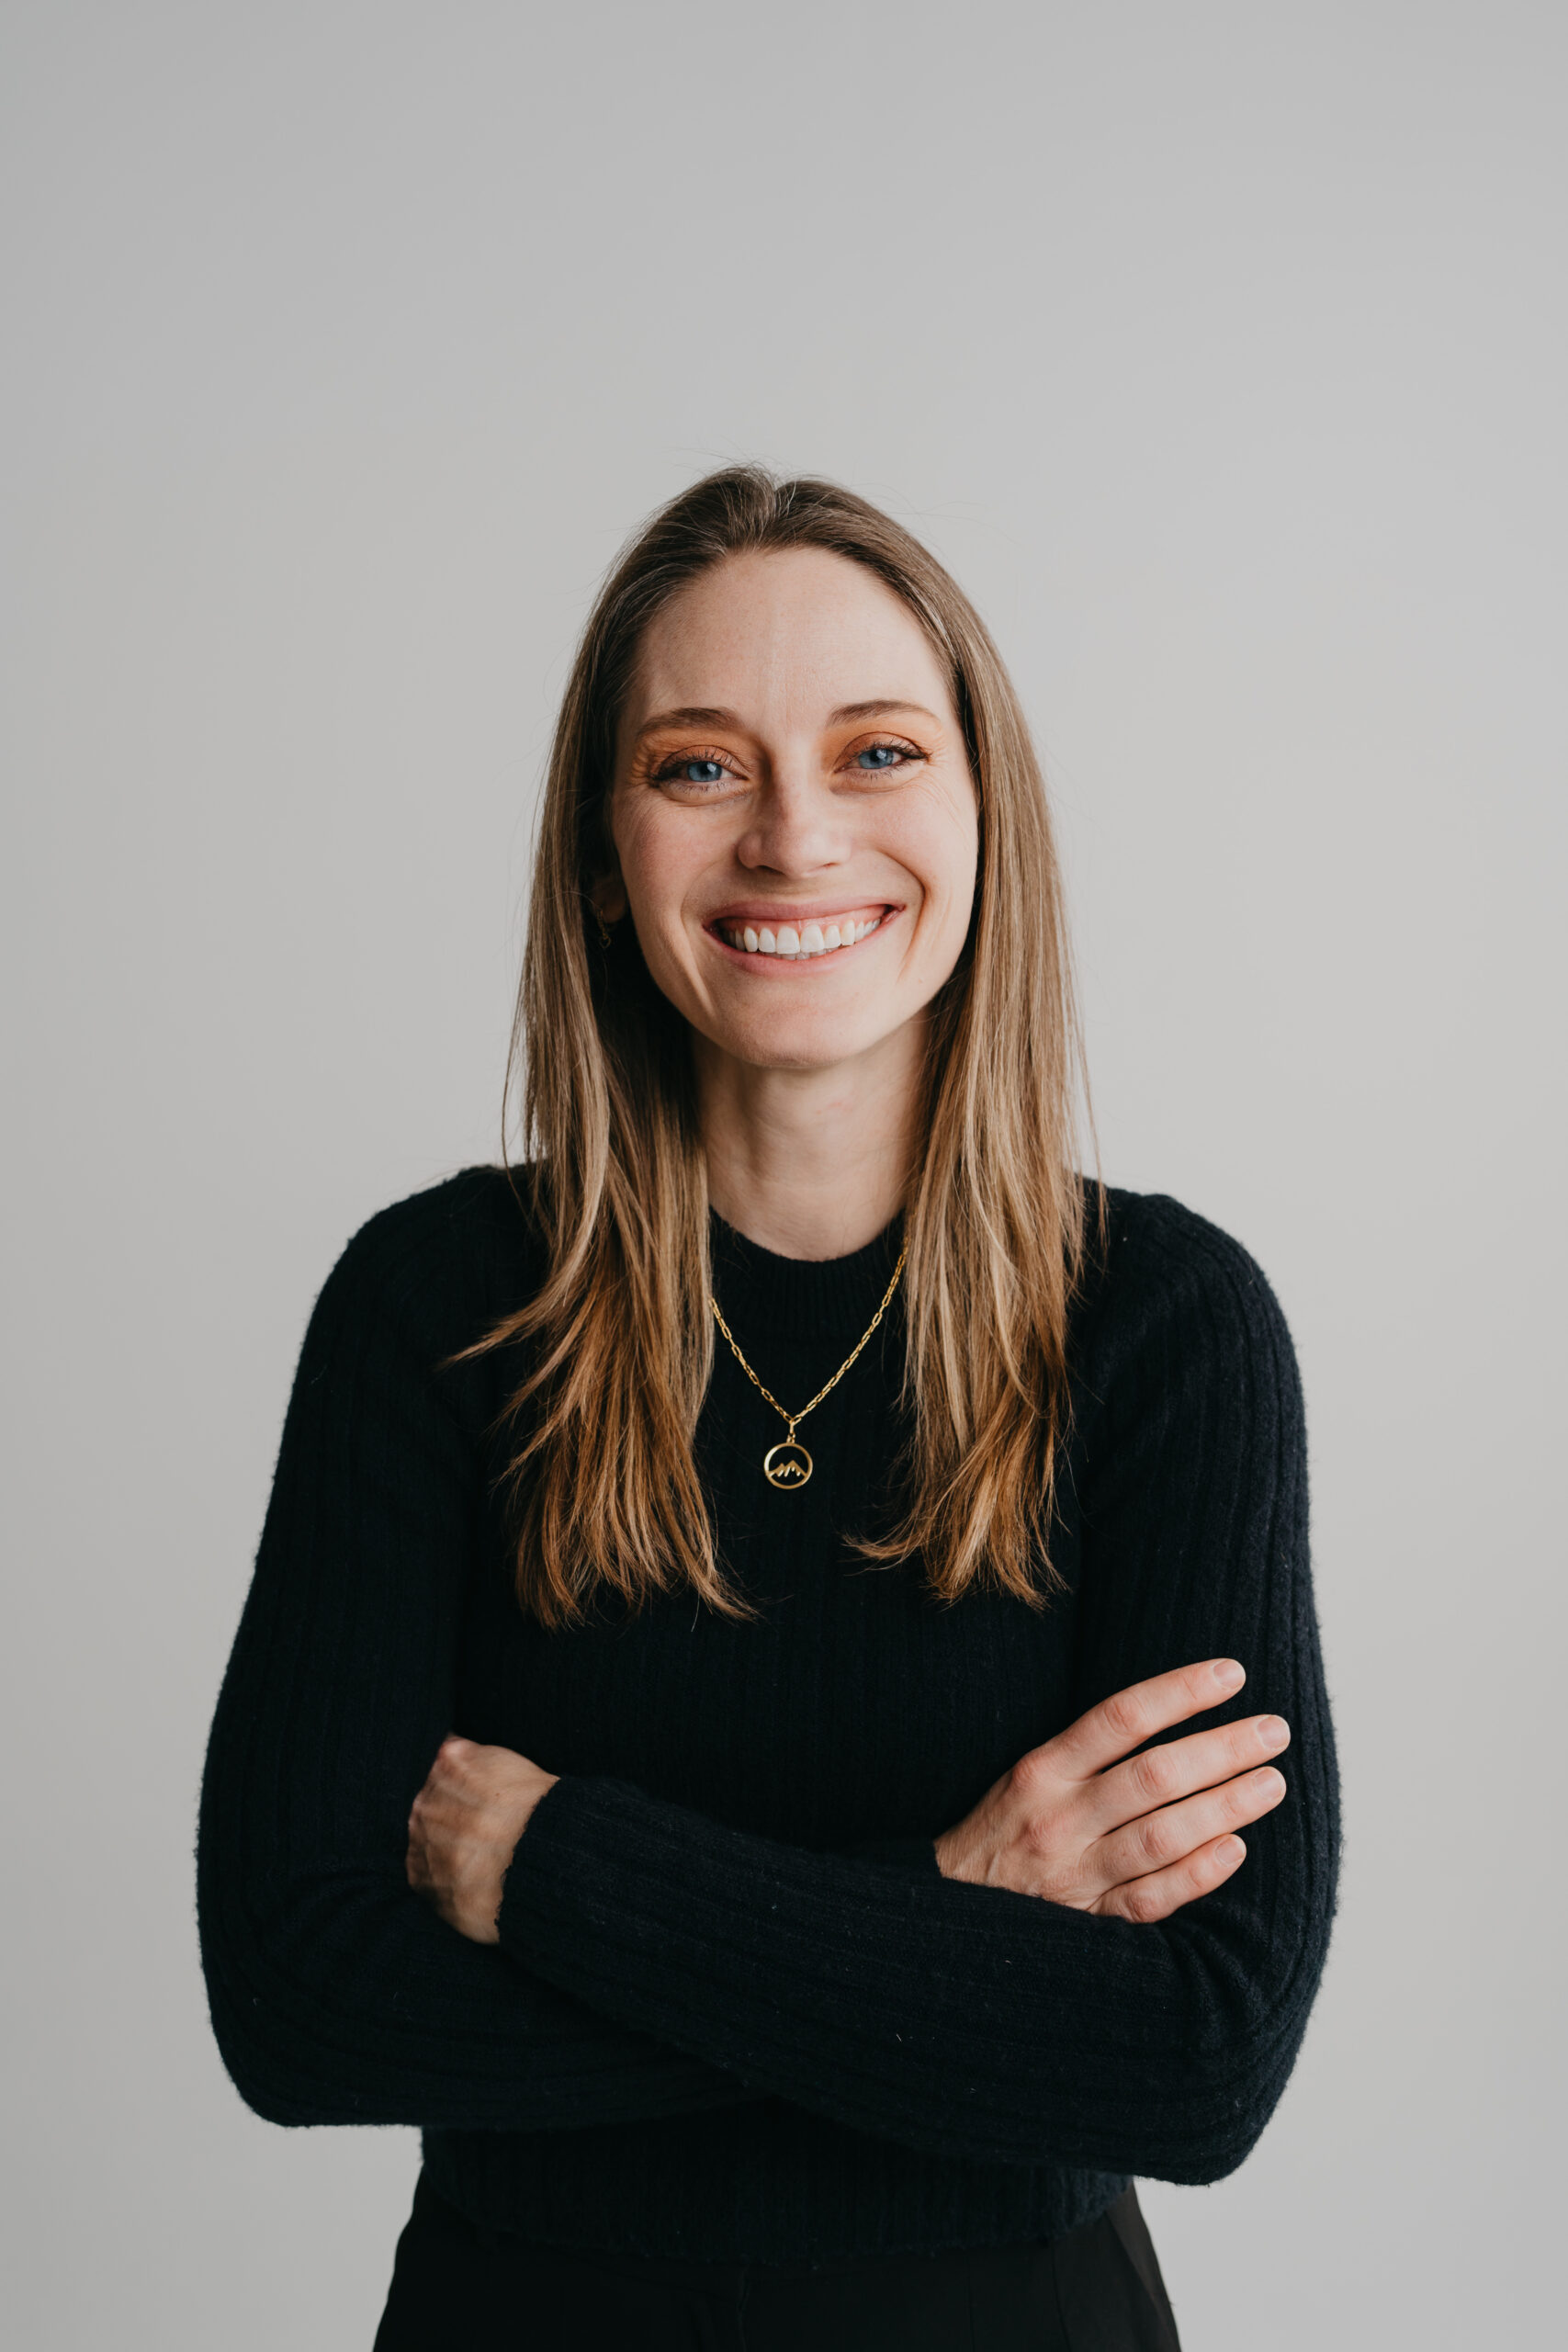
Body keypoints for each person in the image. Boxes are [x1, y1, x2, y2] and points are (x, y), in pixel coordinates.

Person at [198, 467, 1338, 2350]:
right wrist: (954, 1905)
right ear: (601, 848)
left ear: (983, 816)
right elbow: (304, 1999)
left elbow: (1193, 2058)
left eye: (875, 749)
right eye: (697, 765)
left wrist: (558, 1866)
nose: (793, 836)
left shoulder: (1161, 1327)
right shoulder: (435, 1306)